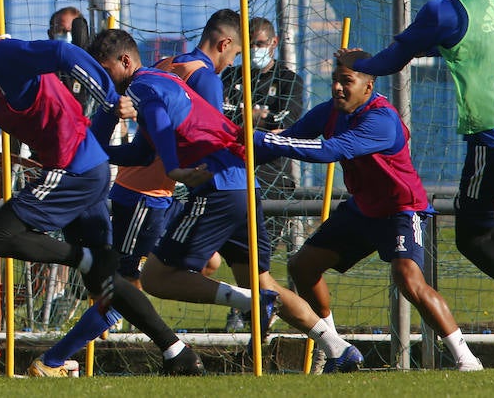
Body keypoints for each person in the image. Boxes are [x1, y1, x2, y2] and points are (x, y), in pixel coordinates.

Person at [0, 0, 203, 375]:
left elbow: (62, 53)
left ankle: (84, 260)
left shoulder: (2, 55)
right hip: (80, 169)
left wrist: (111, 99)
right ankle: (177, 353)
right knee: (106, 284)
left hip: (75, 167)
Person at [89, 29, 363, 374]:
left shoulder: (141, 86)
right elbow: (141, 154)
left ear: (125, 61)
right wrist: (95, 151)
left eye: (104, 69)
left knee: (157, 278)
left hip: (217, 187)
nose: (102, 78)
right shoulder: (163, 79)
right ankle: (339, 348)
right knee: (263, 282)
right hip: (243, 186)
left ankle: (251, 303)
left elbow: (158, 119)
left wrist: (173, 167)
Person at [256, 51, 482, 371]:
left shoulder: (381, 120)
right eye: (335, 80)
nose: (337, 87)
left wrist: (261, 138)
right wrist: (240, 152)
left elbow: (329, 150)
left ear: (368, 86)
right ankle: (335, 348)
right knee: (302, 266)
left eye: (346, 81)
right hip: (362, 208)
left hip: (401, 210)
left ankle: (466, 359)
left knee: (408, 279)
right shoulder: (329, 112)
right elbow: (289, 140)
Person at [338, 0, 494, 287]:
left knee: (474, 234)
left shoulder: (444, 9)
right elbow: (446, 44)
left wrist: (358, 62)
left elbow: (392, 60)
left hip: (490, 136)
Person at [220, 16, 304, 192]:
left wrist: (243, 117)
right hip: (233, 171)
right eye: (249, 44)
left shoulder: (288, 80)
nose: (254, 49)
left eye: (260, 44)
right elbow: (221, 119)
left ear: (274, 42)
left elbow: (284, 123)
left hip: (274, 176)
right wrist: (256, 118)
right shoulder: (230, 76)